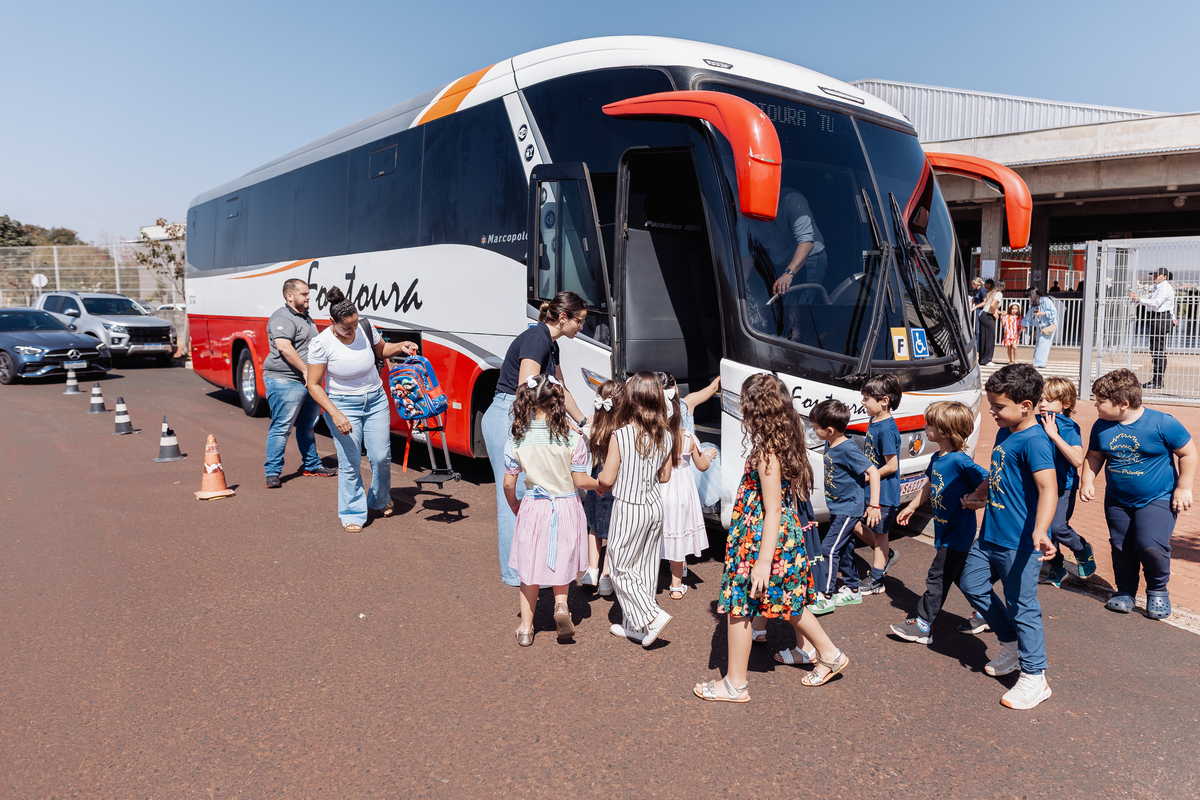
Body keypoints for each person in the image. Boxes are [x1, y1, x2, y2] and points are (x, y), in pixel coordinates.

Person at [692, 374, 849, 702]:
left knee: (741, 604)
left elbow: (773, 509)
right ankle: (830, 654)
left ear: (756, 409)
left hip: (761, 537)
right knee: (786, 601)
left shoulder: (767, 451)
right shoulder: (784, 440)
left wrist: (763, 562)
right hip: (776, 536)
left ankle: (736, 684)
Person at [958, 364, 1058, 710]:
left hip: (1020, 542)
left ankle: (1035, 676)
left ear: (1026, 406)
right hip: (990, 536)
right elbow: (997, 472)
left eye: (999, 406)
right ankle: (1012, 644)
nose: (992, 412)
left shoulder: (1035, 442)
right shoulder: (1006, 432)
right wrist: (979, 494)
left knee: (1022, 605)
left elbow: (1049, 490)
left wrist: (1041, 531)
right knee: (971, 582)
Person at [482, 292, 589, 588]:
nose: (581, 327)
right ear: (563, 317)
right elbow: (526, 389)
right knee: (513, 494)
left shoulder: (550, 344)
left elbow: (560, 389)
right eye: (579, 321)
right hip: (511, 413)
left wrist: (582, 421)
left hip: (524, 413)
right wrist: (559, 422)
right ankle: (517, 575)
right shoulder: (537, 338)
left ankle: (532, 570)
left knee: (529, 493)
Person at [1080, 369, 1196, 620]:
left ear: (1123, 404)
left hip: (1158, 497)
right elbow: (1095, 456)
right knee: (1121, 545)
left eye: (1100, 401)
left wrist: (1184, 487)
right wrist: (1087, 480)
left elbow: (1188, 453)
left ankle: (1157, 590)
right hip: (1117, 500)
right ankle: (1125, 592)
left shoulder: (1162, 422)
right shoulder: (1101, 426)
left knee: (1150, 545)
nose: (1095, 405)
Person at [306, 287, 418, 532]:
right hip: (342, 405)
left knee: (381, 457)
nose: (353, 331)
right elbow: (313, 385)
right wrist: (335, 414)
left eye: (356, 325)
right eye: (347, 327)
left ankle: (378, 499)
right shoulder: (321, 343)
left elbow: (381, 350)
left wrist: (401, 345)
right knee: (350, 461)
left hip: (376, 400)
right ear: (332, 322)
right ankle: (352, 512)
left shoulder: (365, 327)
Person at [503, 375, 599, 646]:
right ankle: (560, 606)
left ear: (530, 402)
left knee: (529, 565)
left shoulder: (518, 439)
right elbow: (580, 481)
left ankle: (525, 629)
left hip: (534, 506)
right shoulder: (572, 438)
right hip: (566, 506)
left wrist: (514, 504)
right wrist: (600, 485)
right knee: (560, 558)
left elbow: (509, 482)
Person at [889, 401, 989, 644]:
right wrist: (912, 506)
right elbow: (930, 483)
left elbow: (989, 480)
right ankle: (988, 612)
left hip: (958, 531)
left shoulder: (960, 460)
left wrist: (978, 500)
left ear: (944, 431)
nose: (925, 426)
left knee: (938, 576)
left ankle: (923, 625)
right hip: (946, 530)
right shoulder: (938, 457)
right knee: (962, 578)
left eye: (930, 424)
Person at [599, 371, 675, 646]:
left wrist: (593, 481)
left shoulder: (620, 435)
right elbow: (664, 476)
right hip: (654, 504)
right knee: (645, 565)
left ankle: (651, 616)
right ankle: (635, 625)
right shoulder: (666, 434)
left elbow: (607, 479)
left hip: (629, 506)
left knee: (619, 564)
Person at [808, 398, 881, 614]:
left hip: (849, 509)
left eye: (815, 428)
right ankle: (852, 588)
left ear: (829, 430)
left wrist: (874, 505)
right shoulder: (831, 442)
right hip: (837, 507)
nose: (814, 431)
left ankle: (826, 594)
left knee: (828, 549)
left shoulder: (848, 449)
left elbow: (873, 472)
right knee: (846, 549)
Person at [262, 278, 336, 487]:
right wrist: (306, 371)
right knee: (282, 427)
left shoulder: (305, 317)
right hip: (285, 380)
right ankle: (273, 472)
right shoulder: (282, 317)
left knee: (307, 426)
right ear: (290, 296)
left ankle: (312, 465)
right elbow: (284, 347)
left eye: (307, 293)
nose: (308, 297)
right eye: (304, 294)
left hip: (307, 382)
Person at [658, 373, 715, 599]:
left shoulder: (655, 436)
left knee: (658, 532)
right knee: (679, 534)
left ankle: (651, 578)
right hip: (682, 489)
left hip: (661, 489)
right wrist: (709, 455)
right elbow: (701, 466)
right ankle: (675, 585)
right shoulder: (688, 437)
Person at [1037, 377, 1097, 588]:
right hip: (1040, 487)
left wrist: (1054, 435)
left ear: (1066, 403)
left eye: (1050, 400)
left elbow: (1077, 459)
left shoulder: (1069, 426)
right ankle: (1057, 567)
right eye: (1041, 399)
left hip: (1063, 487)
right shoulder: (1035, 421)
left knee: (1057, 527)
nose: (1043, 404)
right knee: (1042, 528)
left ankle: (1082, 549)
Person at [858, 374, 902, 596]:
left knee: (880, 534)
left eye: (867, 398)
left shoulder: (886, 429)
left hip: (883, 494)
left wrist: (868, 476)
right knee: (860, 526)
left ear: (884, 400)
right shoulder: (875, 421)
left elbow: (891, 465)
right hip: (872, 489)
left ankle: (877, 578)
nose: (863, 403)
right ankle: (886, 554)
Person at [581, 379, 622, 595]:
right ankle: (606, 577)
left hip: (595, 478)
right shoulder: (621, 429)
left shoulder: (593, 425)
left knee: (594, 527)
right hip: (615, 481)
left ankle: (592, 570)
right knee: (614, 530)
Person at [1128, 268, 1178, 389]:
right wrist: (1172, 316)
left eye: (1157, 275)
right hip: (1159, 318)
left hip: (1160, 318)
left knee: (1158, 350)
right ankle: (1157, 380)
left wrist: (1139, 299)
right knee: (1156, 349)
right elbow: (1168, 305)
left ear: (1164, 276)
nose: (1154, 277)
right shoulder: (1160, 288)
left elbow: (1156, 303)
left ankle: (1157, 381)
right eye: (1153, 275)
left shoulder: (1165, 288)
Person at [1022, 288, 1059, 369]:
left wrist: (1041, 313)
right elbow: (1029, 314)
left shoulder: (1045, 300)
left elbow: (1053, 312)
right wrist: (1024, 323)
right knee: (1042, 343)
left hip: (1048, 324)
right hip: (1042, 325)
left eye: (1029, 295)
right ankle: (1041, 363)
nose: (1028, 296)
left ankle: (1038, 363)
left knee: (1041, 343)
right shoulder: (1036, 302)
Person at [977, 280, 1001, 365]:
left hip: (983, 315)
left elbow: (988, 306)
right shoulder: (998, 294)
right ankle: (987, 359)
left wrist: (999, 312)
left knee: (983, 338)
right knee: (990, 338)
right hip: (989, 316)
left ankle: (982, 359)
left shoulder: (990, 292)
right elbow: (992, 306)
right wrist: (994, 313)